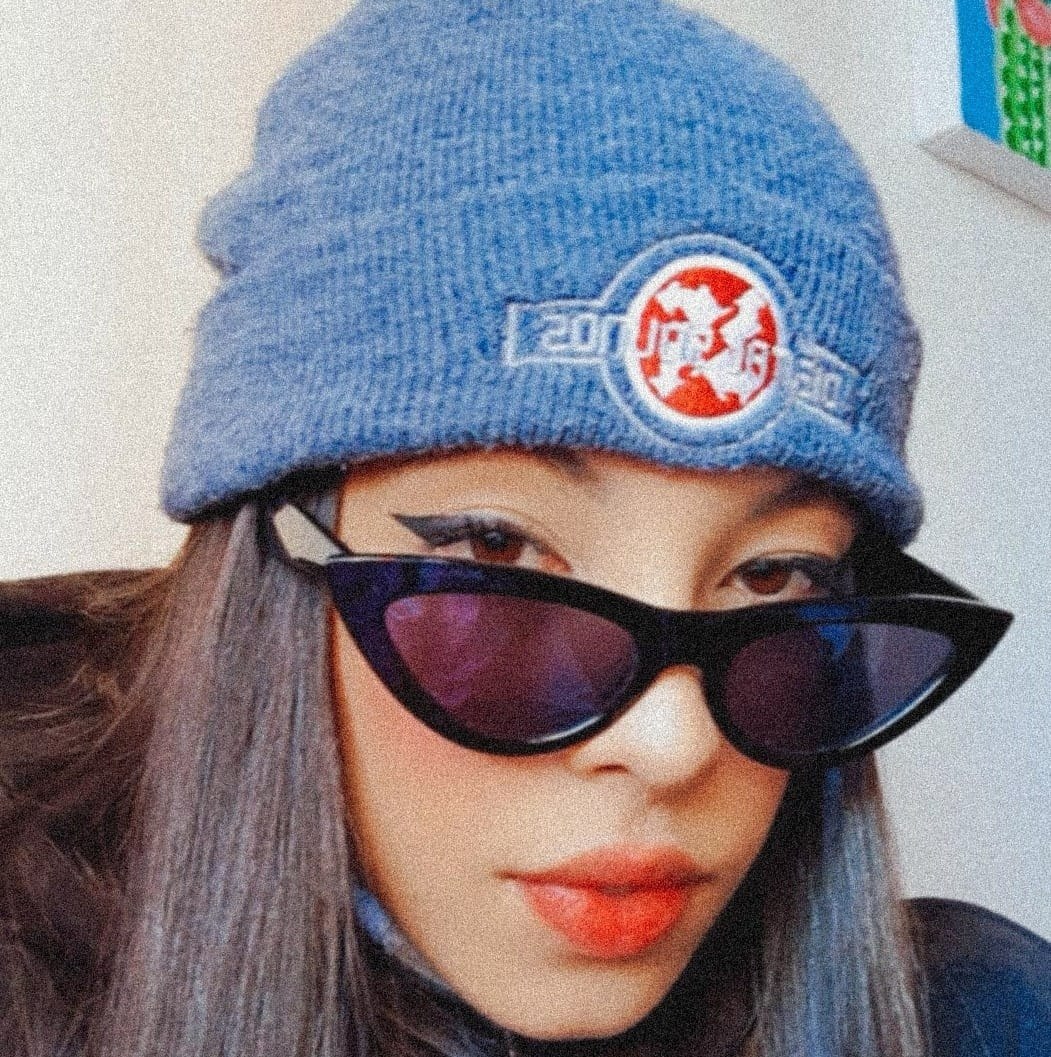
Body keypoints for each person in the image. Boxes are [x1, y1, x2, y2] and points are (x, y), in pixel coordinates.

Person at [1, 1, 1048, 1055]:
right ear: (273, 561)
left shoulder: (980, 1014)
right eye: (495, 551)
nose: (674, 745)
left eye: (776, 575)